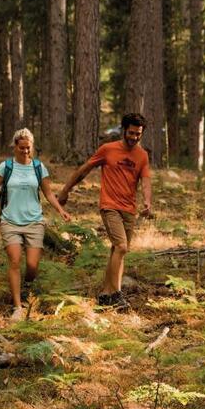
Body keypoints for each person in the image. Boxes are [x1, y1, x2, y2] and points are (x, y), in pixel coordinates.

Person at [0, 128, 71, 321]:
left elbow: (48, 193)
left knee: (32, 266)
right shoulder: (6, 166)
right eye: (22, 148)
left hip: (34, 221)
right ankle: (17, 306)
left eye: (29, 148)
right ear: (15, 146)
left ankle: (25, 288)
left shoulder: (38, 167)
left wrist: (61, 210)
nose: (26, 151)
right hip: (10, 221)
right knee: (15, 261)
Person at [58, 113, 152, 308]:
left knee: (118, 251)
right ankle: (117, 294)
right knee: (121, 246)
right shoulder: (108, 150)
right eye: (131, 133)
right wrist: (66, 190)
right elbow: (84, 169)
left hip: (129, 209)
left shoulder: (142, 155)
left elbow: (146, 180)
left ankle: (105, 294)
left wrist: (147, 201)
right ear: (123, 129)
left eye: (138, 134)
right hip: (109, 206)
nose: (134, 137)